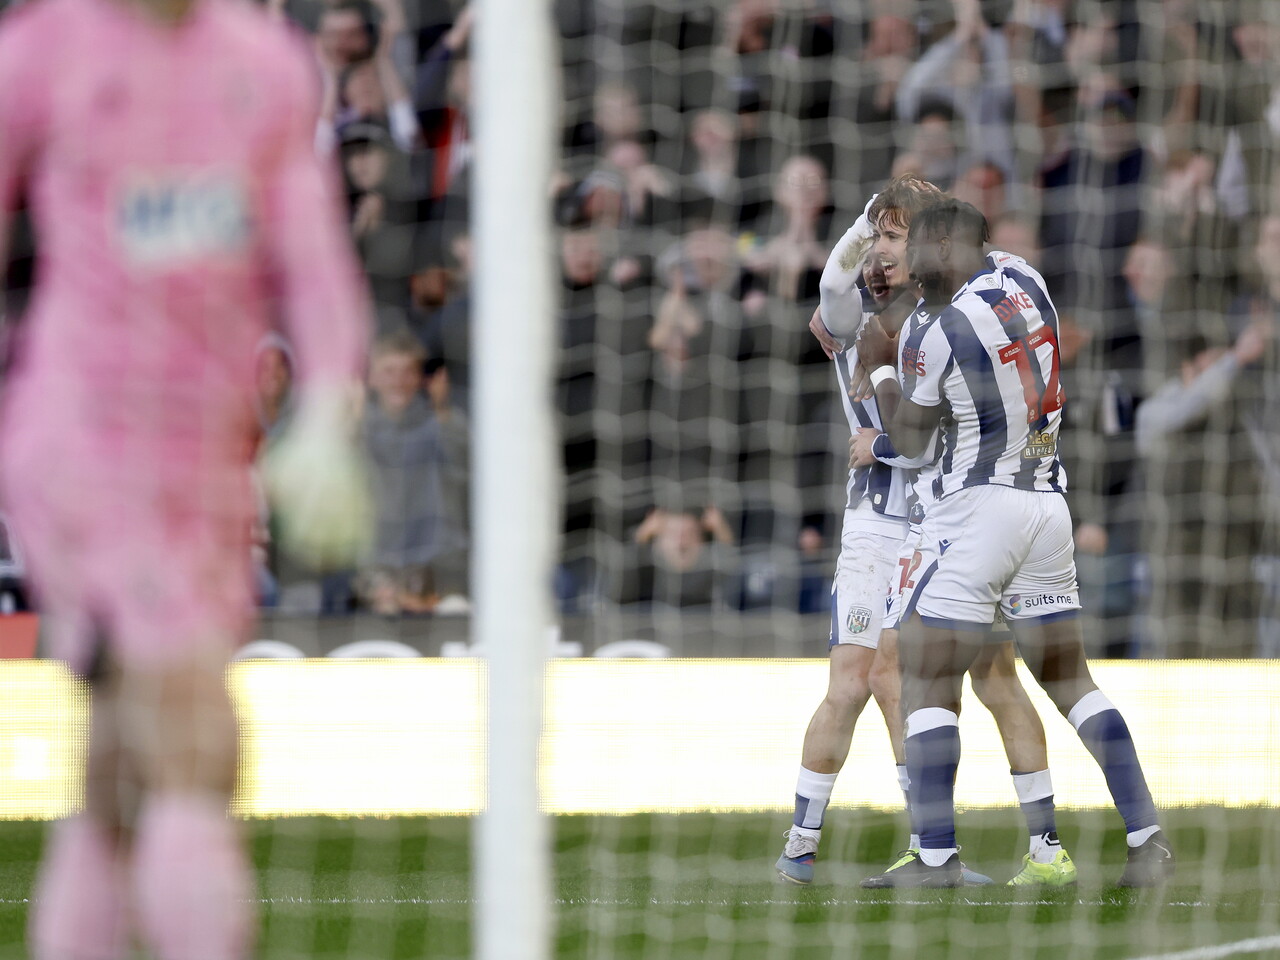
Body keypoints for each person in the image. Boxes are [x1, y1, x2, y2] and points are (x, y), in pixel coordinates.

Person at [0, 0, 370, 956]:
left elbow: (312, 259)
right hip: (83, 452)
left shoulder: (268, 66)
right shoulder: (42, 52)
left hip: (205, 466)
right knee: (198, 742)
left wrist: (329, 406)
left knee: (122, 776)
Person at [855, 198, 1172, 888]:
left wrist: (880, 369)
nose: (908, 264)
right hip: (1047, 506)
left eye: (916, 251)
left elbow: (910, 443)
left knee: (926, 674)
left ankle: (935, 857)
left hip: (977, 512)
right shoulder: (1026, 279)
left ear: (943, 249)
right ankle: (1149, 840)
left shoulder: (933, 331)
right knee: (1070, 680)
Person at [777, 176, 1072, 889]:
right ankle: (810, 847)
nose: (880, 252)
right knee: (862, 677)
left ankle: (1032, 847)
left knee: (986, 676)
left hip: (954, 519)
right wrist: (872, 208)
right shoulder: (860, 311)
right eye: (877, 237)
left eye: (896, 236)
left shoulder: (954, 315)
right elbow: (830, 281)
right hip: (878, 522)